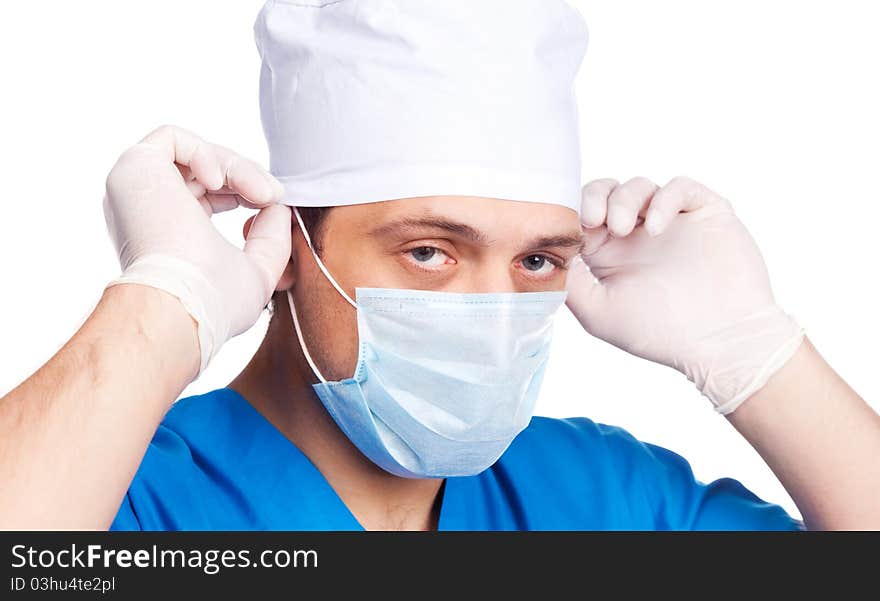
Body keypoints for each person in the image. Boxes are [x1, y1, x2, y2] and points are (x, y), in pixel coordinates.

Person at [2, 1, 879, 531]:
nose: (492, 310)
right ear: (289, 247)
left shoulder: (599, 495)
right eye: (429, 251)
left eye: (537, 258)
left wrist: (755, 350)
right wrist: (163, 303)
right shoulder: (134, 499)